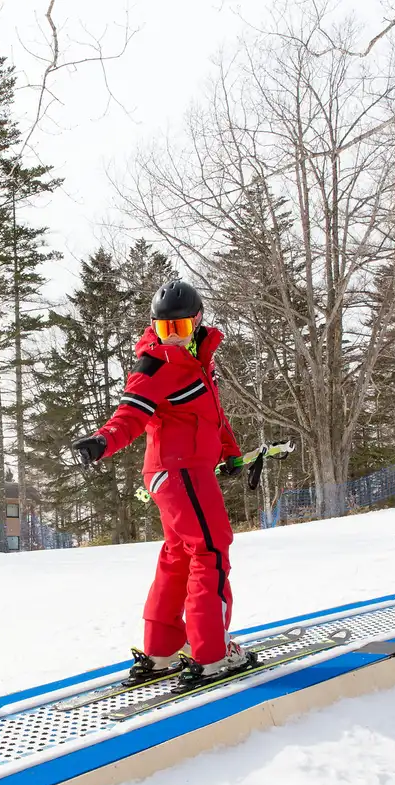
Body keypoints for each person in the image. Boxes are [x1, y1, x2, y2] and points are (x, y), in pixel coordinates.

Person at [71, 278, 250, 685]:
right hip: (181, 471)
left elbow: (211, 416)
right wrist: (102, 441)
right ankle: (212, 653)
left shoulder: (200, 363)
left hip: (180, 471)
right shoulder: (155, 364)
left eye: (180, 329)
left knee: (180, 553)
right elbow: (129, 415)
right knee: (211, 550)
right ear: (153, 326)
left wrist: (230, 451)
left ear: (198, 322)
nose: (172, 338)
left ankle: (162, 650)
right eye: (164, 329)